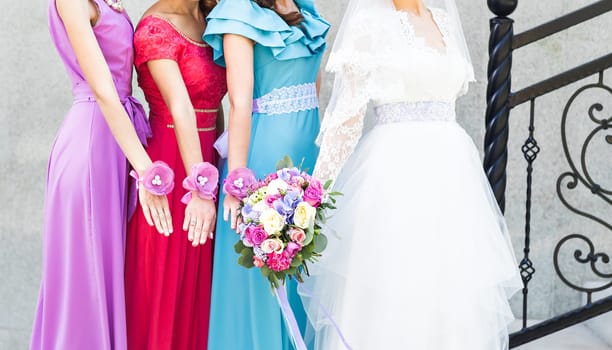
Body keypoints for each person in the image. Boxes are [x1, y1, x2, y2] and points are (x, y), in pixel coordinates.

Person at [300, 0, 522, 348]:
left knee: (450, 291)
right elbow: (345, 121)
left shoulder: (444, 21)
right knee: (397, 284)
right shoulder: (369, 23)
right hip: (394, 174)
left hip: (452, 175)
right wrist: (310, 200)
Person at [31, 0, 173, 349]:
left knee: (106, 274)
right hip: (92, 144)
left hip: (116, 143)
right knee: (84, 278)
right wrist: (146, 170)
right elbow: (104, 90)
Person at [202, 0, 329, 348]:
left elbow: (314, 91)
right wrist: (238, 183)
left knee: (304, 268)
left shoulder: (307, 10)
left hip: (307, 155)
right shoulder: (238, 13)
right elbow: (239, 104)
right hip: (264, 160)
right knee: (265, 278)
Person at [123, 1, 227, 349]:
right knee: (165, 281)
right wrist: (200, 189)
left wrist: (222, 166)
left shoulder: (209, 16)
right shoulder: (156, 27)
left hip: (208, 160)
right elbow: (181, 107)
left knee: (199, 285)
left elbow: (214, 105)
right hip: (171, 171)